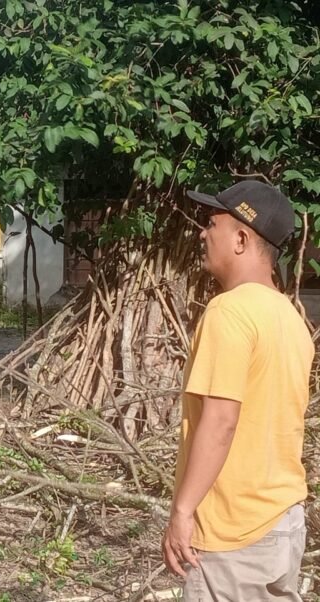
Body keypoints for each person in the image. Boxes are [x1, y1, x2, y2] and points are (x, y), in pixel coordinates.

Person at [162, 180, 313, 600]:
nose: (202, 233)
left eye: (212, 224)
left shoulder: (229, 312)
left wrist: (182, 511)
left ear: (242, 239)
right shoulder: (290, 316)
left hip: (233, 536)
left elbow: (221, 422)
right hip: (282, 522)